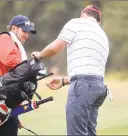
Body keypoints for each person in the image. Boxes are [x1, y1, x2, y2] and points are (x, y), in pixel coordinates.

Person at [31, 5, 109, 135]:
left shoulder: (76, 23)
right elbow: (91, 71)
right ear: (98, 21)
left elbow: (55, 48)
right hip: (99, 88)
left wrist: (40, 55)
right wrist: (63, 80)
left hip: (83, 87)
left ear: (83, 13)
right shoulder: (102, 35)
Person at [0, 15, 36, 136]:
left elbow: (16, 79)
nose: (26, 35)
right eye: (24, 31)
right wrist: (30, 68)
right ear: (14, 28)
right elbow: (10, 59)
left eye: (28, 32)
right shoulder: (5, 38)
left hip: (8, 103)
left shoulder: (14, 44)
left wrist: (16, 114)